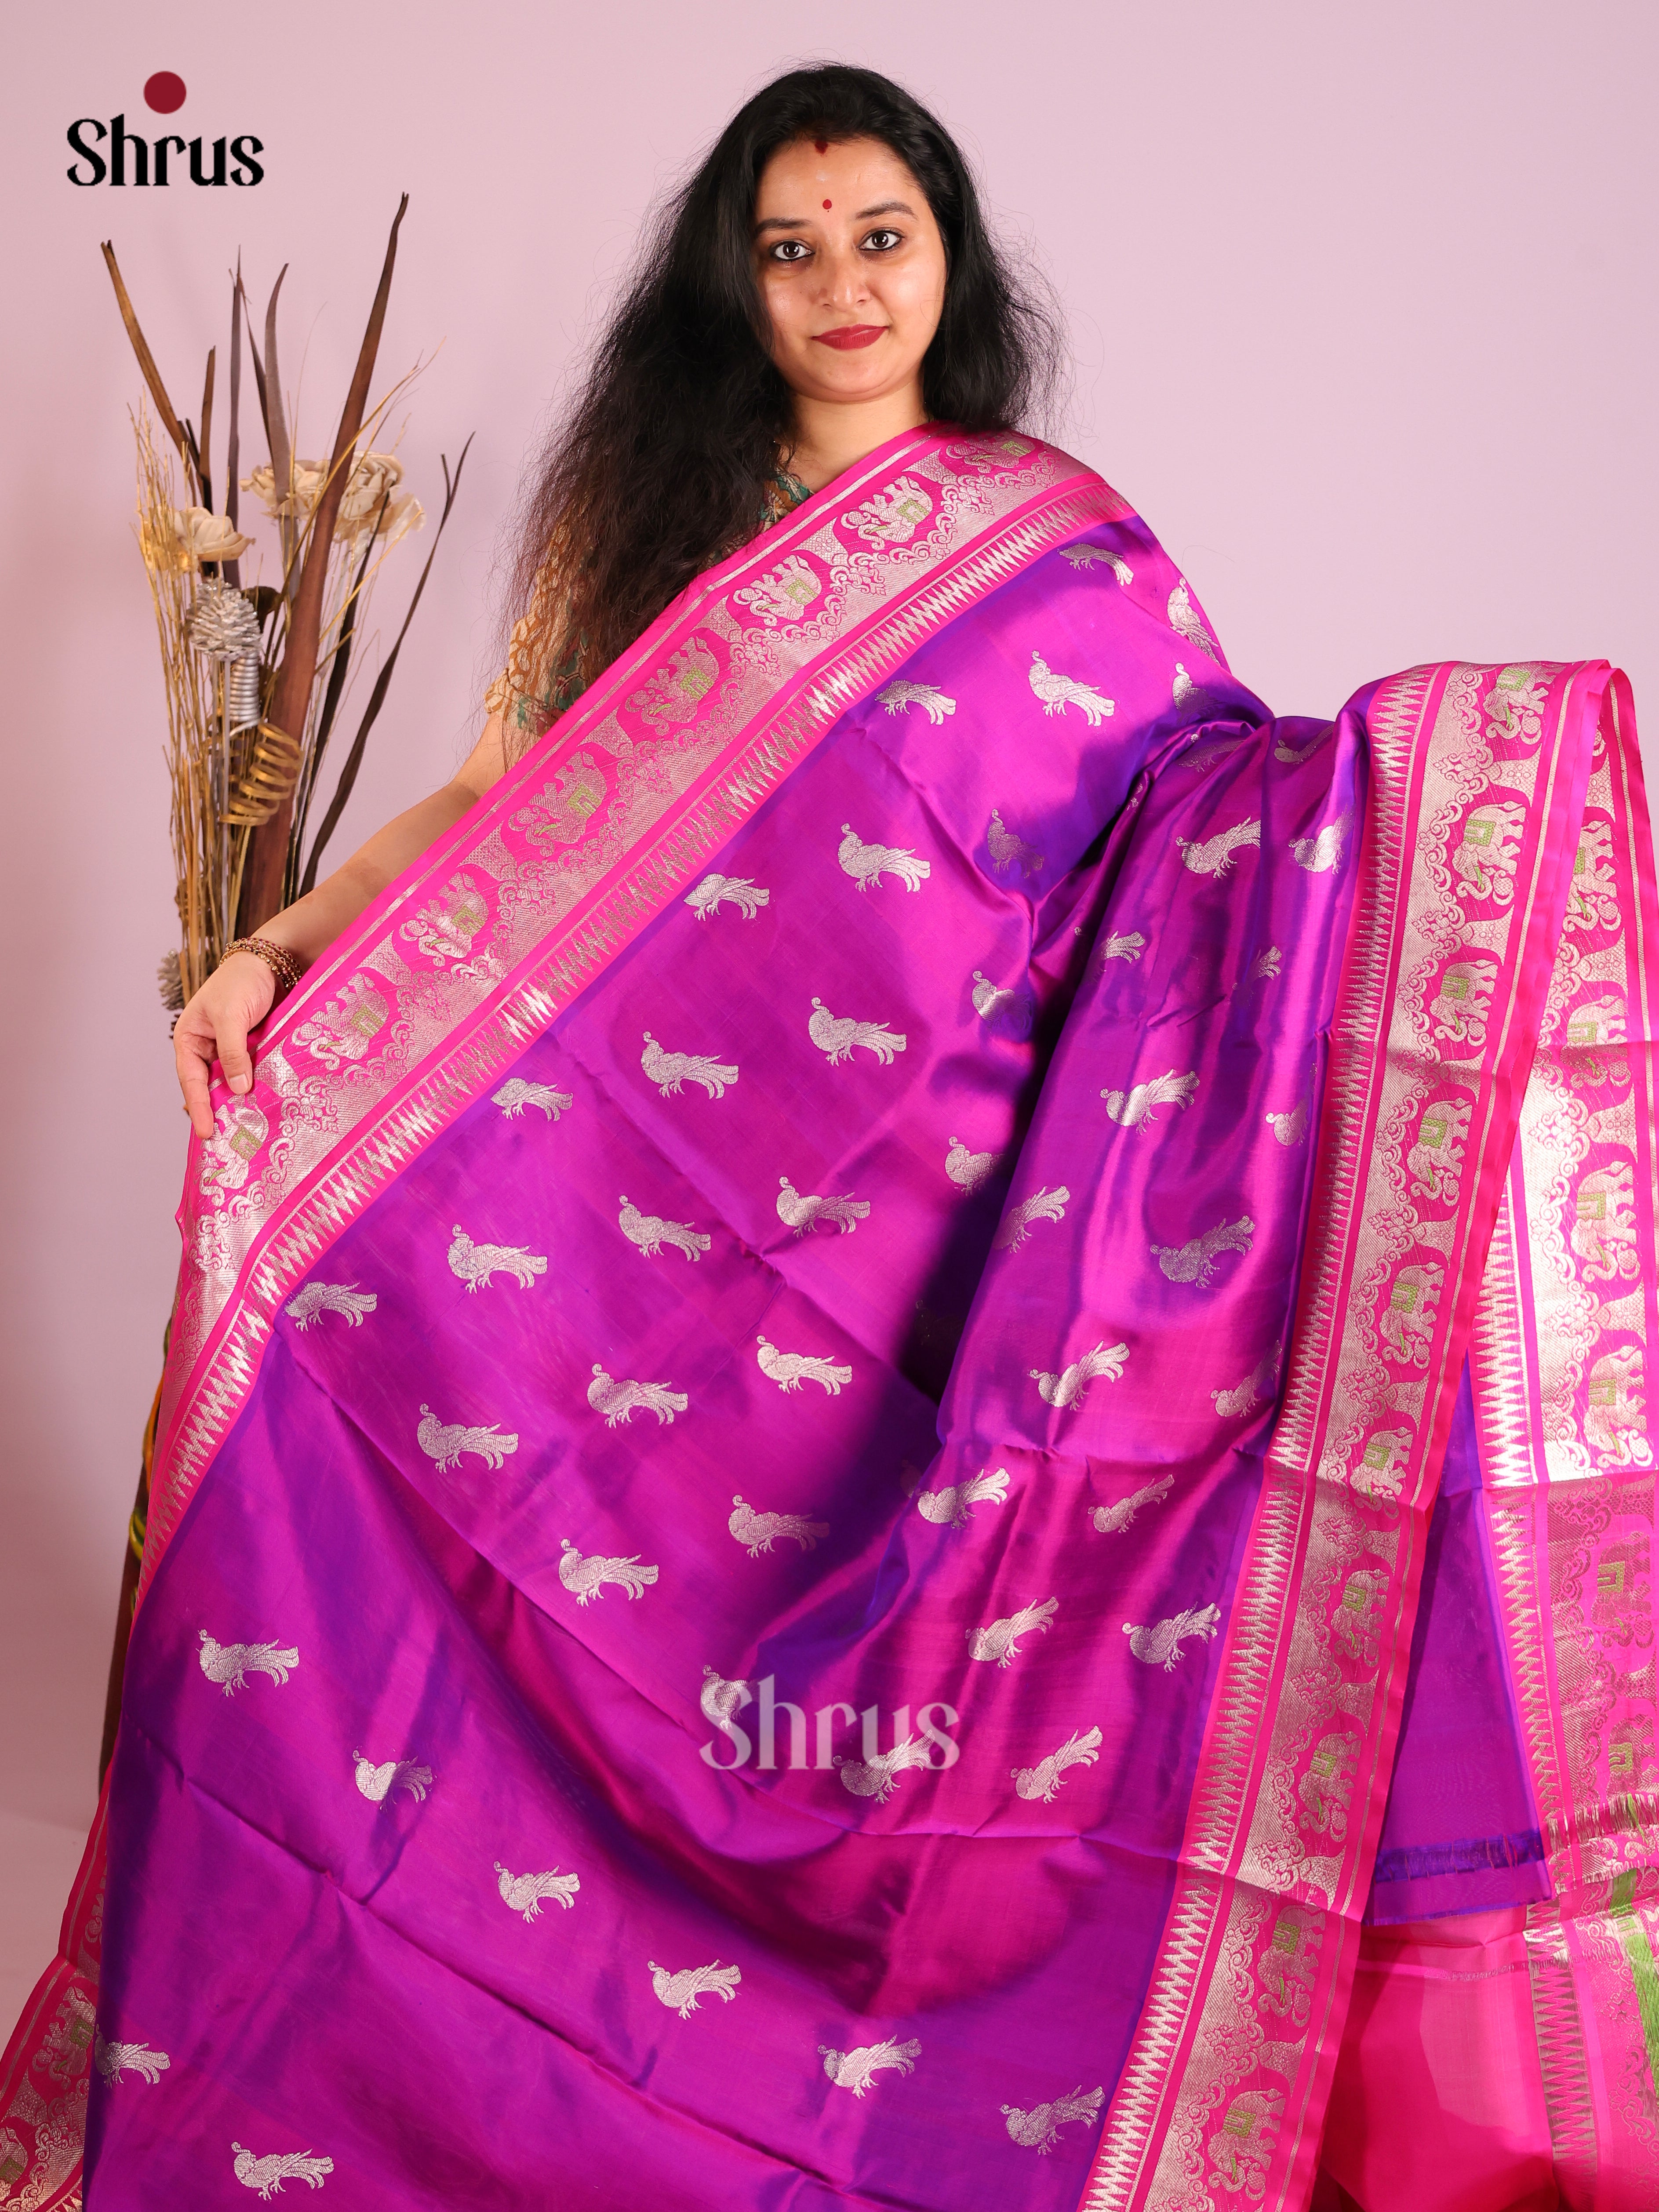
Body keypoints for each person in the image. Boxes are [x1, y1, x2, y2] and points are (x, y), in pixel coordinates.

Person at [2, 62, 1648, 2212]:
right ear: (734, 285)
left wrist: (1431, 799)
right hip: (662, 1258)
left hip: (949, 1246)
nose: (842, 287)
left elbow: (1198, 818)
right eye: (790, 250)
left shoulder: (1050, 533)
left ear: (946, 254)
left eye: (880, 235)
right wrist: (280, 956)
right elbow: (505, 800)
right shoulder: (657, 527)